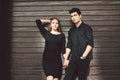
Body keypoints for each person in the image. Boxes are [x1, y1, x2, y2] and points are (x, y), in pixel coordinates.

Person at [63, 8, 94, 80]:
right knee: (67, 78)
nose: (73, 17)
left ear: (80, 16)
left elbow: (90, 44)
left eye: (75, 15)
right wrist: (66, 59)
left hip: (83, 59)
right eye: (71, 16)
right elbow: (69, 45)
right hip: (73, 59)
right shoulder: (71, 30)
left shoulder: (87, 28)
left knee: (82, 78)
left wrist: (83, 57)